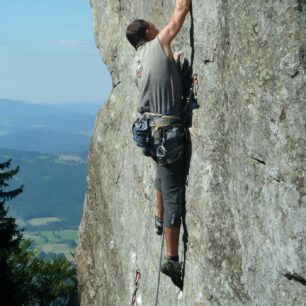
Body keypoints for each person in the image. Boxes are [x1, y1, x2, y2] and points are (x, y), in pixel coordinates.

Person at [126, 0, 191, 285]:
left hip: (150, 133)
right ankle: (172, 259)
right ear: (150, 33)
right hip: (169, 133)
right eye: (153, 26)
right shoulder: (159, 42)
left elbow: (159, 79)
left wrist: (173, 65)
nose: (157, 26)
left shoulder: (137, 62)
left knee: (160, 176)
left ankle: (156, 215)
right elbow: (180, 13)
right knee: (173, 192)